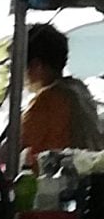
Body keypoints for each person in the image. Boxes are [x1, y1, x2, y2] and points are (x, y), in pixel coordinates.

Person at [20, 23, 104, 157]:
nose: (19, 75)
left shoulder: (46, 101)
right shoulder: (78, 90)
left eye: (19, 67)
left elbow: (18, 146)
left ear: (37, 65)